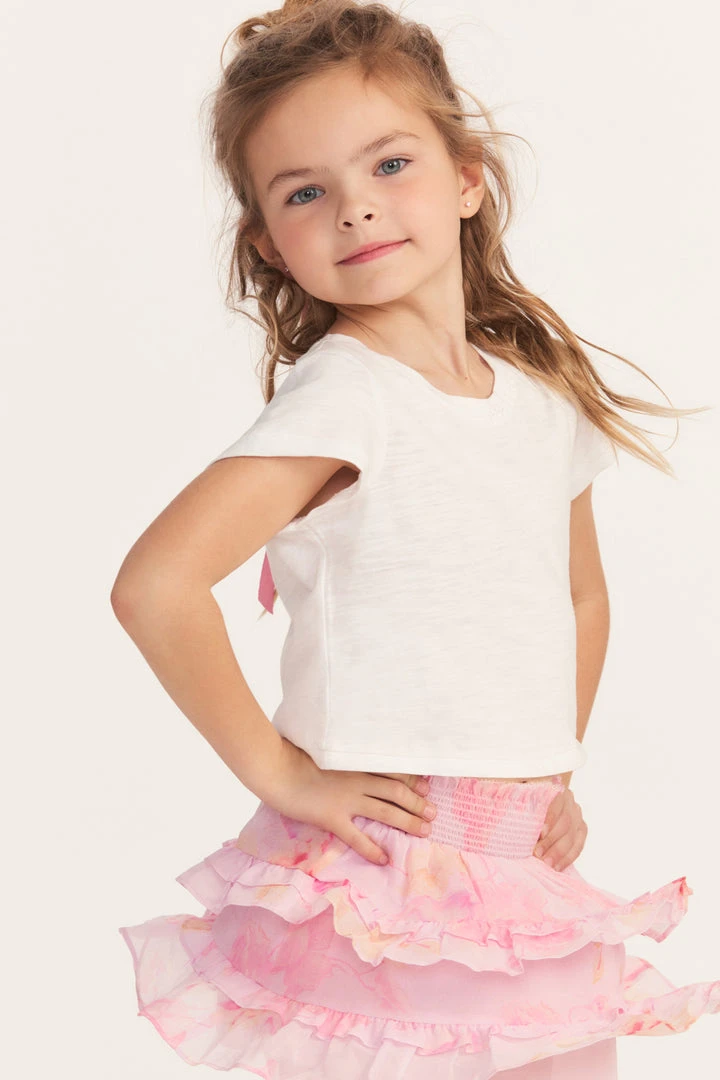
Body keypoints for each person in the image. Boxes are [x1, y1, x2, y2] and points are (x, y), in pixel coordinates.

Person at [113, 1, 720, 1076]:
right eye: (305, 192)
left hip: (514, 870)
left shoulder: (540, 402)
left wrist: (552, 774)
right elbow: (158, 585)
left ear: (468, 177)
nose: (355, 207)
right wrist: (285, 777)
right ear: (268, 242)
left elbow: (577, 597)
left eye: (390, 164)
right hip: (378, 875)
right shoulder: (347, 396)